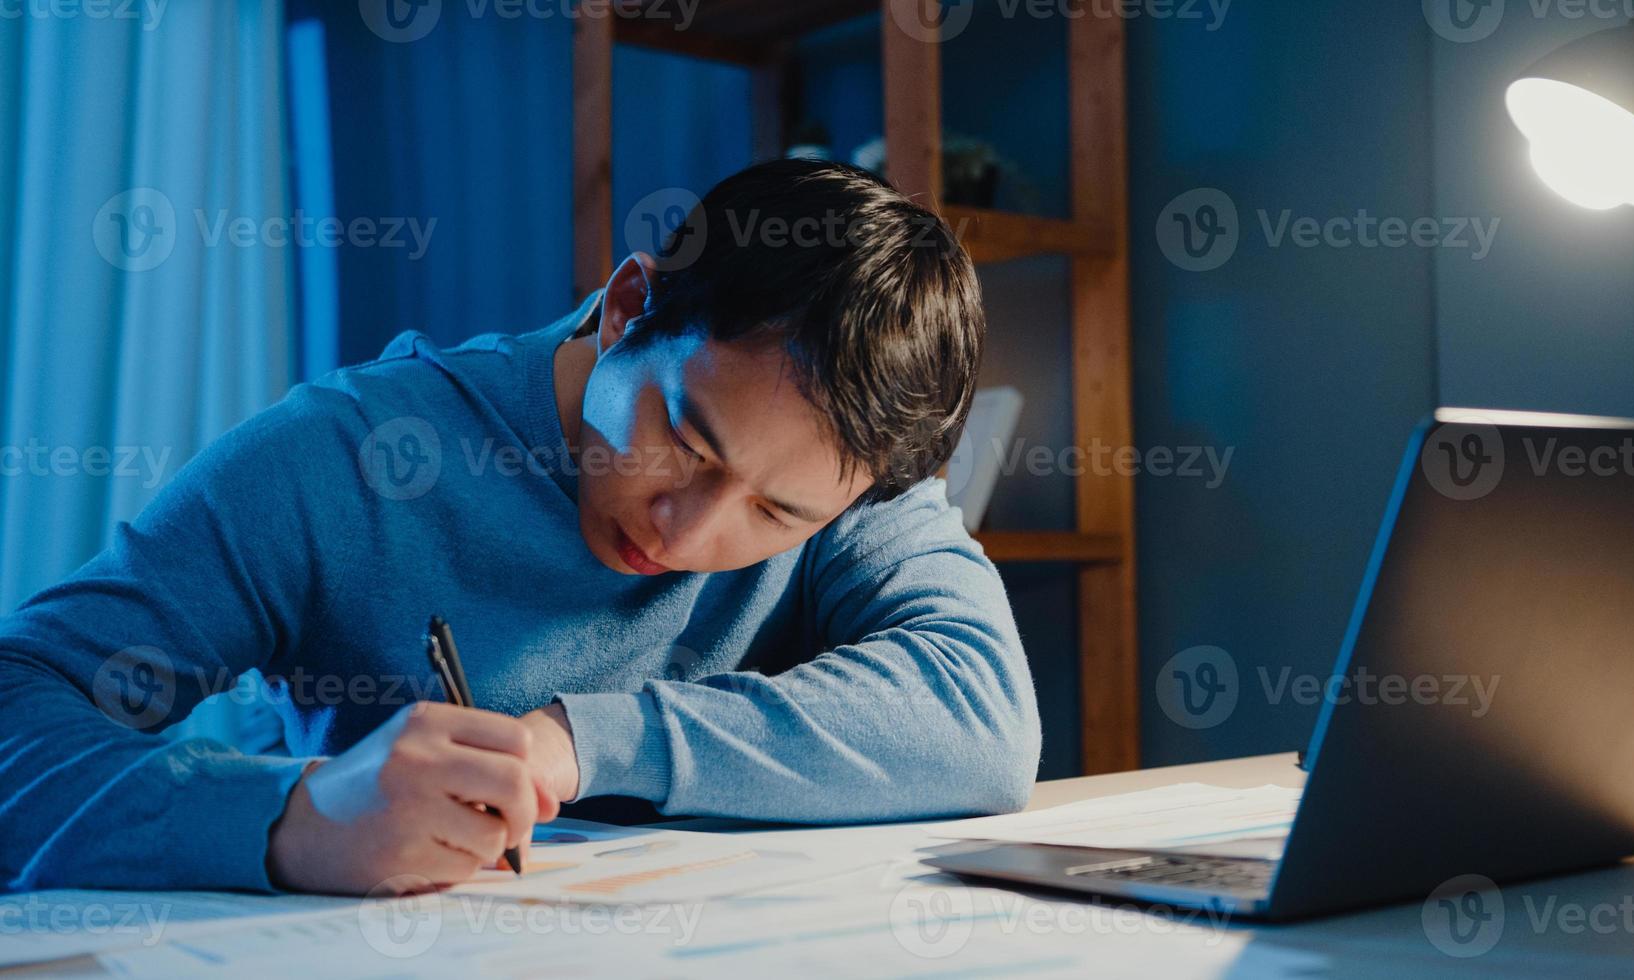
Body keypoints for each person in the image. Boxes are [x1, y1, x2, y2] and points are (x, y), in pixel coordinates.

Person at [0, 159, 1041, 896]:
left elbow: (980, 716)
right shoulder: (341, 458)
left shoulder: (850, 455)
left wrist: (576, 741)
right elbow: (17, 712)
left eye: (776, 514)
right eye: (683, 437)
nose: (688, 532)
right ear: (628, 307)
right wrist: (292, 823)